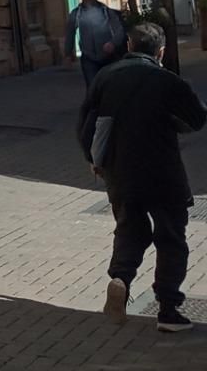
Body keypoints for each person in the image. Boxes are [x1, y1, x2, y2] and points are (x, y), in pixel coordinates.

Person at [78, 21, 207, 333]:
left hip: (119, 173)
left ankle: (120, 278)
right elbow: (198, 117)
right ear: (160, 51)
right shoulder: (167, 81)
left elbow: (86, 124)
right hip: (163, 173)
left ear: (129, 47)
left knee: (130, 230)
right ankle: (168, 310)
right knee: (171, 238)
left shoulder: (104, 77)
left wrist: (94, 160)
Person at [66, 0, 126, 88]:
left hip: (108, 56)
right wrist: (68, 53)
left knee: (111, 86)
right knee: (92, 88)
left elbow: (119, 30)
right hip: (88, 58)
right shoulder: (77, 14)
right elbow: (70, 33)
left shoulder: (106, 11)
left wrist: (113, 43)